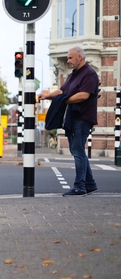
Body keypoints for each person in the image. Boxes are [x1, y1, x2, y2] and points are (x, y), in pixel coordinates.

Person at [39, 47, 99, 196]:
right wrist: (48, 97)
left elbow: (84, 95)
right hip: (73, 118)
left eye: (70, 58)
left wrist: (64, 100)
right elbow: (61, 91)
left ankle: (79, 186)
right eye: (68, 58)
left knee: (78, 151)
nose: (68, 60)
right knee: (77, 151)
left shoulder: (89, 74)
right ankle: (90, 184)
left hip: (83, 117)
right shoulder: (73, 75)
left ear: (80, 57)